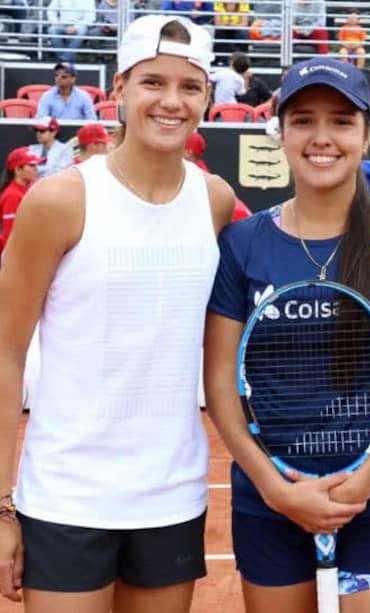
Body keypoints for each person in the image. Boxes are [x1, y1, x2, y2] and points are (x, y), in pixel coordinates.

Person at [0, 13, 235, 611]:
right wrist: (2, 505)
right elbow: (5, 352)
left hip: (172, 496)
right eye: (153, 82)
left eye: (189, 86)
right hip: (66, 498)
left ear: (207, 97)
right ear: (119, 91)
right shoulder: (59, 200)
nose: (171, 101)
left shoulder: (214, 199)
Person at [203, 56, 370, 613]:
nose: (322, 137)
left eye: (340, 121)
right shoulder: (243, 244)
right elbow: (220, 383)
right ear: (281, 133)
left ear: (366, 136)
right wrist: (274, 488)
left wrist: (363, 482)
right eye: (304, 120)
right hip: (271, 499)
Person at [0, 147, 41, 257]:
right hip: (16, 258)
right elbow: (11, 236)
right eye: (32, 165)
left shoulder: (26, 190)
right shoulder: (12, 195)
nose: (36, 169)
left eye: (36, 165)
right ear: (17, 170)